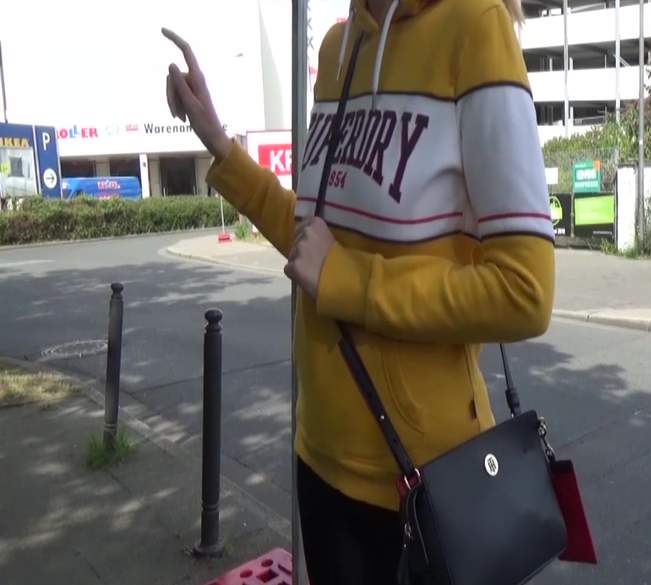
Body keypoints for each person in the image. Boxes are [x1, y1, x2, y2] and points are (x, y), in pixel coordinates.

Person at [164, 0, 554, 582]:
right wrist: (219, 144)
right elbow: (312, 244)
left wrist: (348, 280)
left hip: (421, 482)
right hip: (318, 457)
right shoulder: (337, 50)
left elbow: (524, 291)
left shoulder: (475, 27)